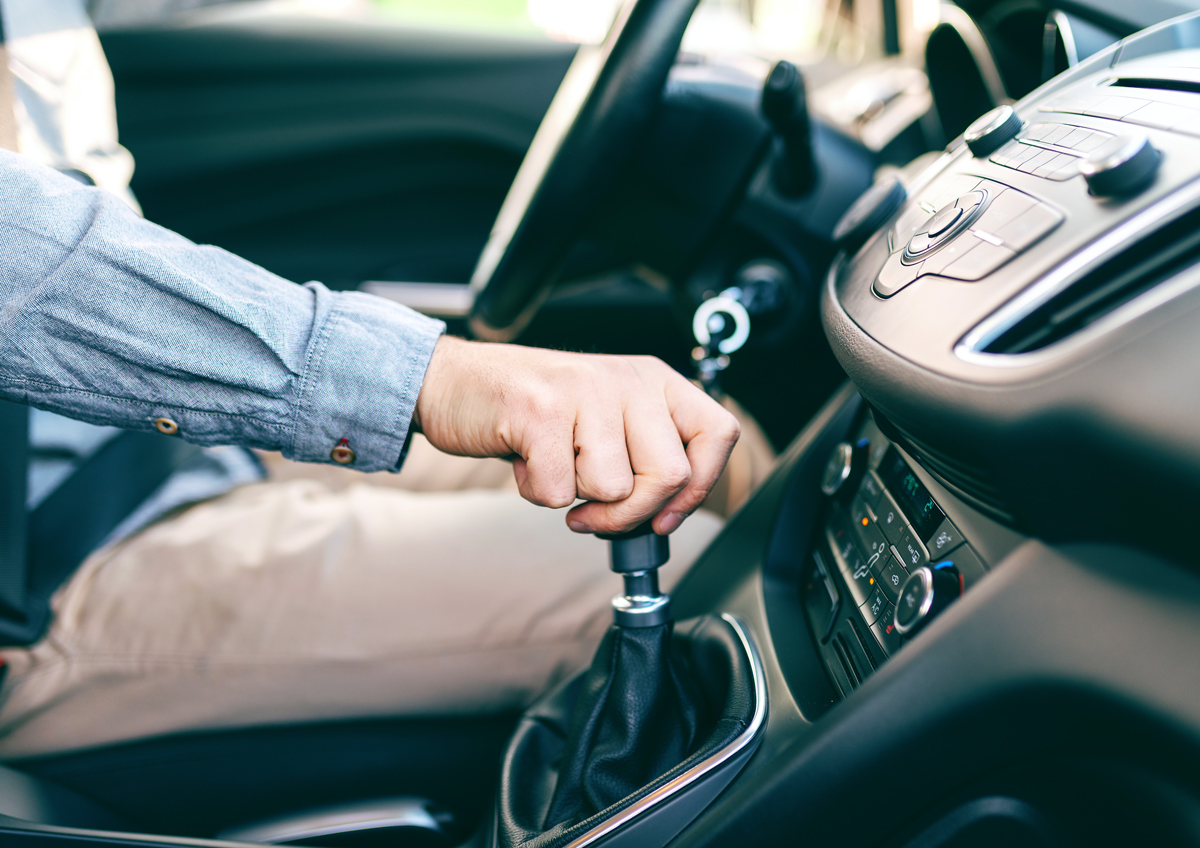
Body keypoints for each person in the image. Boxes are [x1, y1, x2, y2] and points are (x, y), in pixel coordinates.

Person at [0, 0, 774, 760]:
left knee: (712, 457)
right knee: (708, 584)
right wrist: (432, 380)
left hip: (144, 442)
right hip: (42, 567)